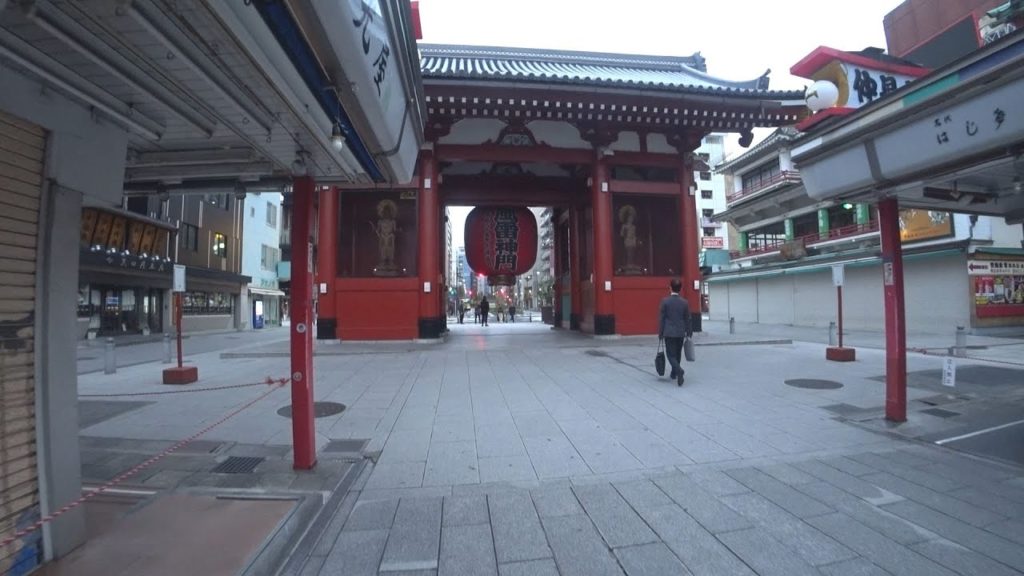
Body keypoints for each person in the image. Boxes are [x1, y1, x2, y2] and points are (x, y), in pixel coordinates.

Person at [658, 278, 692, 386]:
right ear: (680, 289)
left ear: (670, 288)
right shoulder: (685, 302)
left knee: (670, 354)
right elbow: (688, 318)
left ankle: (678, 370)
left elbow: (662, 318)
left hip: (669, 332)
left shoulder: (665, 301)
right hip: (681, 332)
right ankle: (674, 374)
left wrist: (660, 332)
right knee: (678, 353)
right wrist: (689, 331)